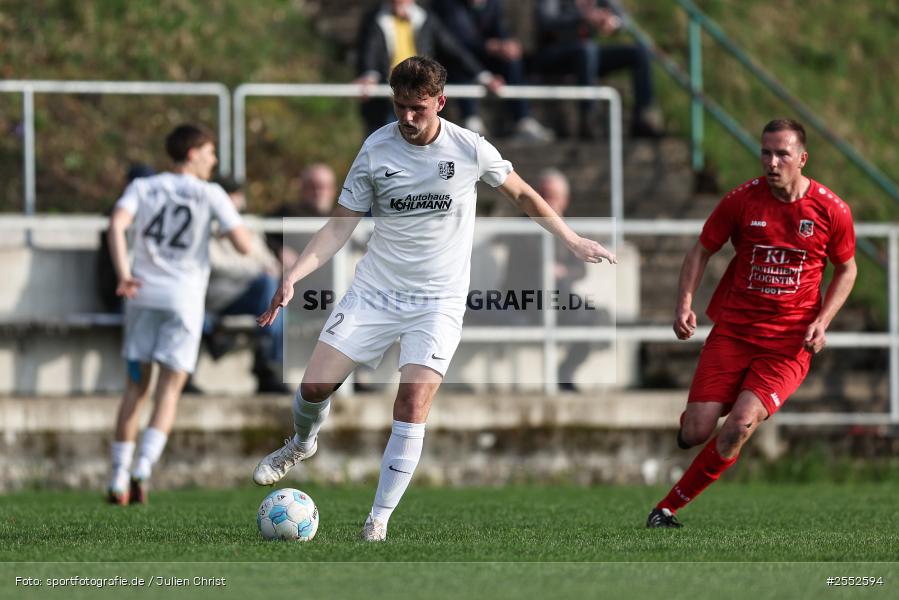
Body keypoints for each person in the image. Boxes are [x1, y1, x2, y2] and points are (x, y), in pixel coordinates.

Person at [252, 56, 616, 541]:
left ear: (440, 102)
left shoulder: (469, 148)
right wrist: (294, 275)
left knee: (413, 397)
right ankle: (300, 443)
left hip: (438, 301)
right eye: (399, 106)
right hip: (375, 292)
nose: (406, 118)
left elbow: (524, 195)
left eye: (417, 108)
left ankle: (377, 521)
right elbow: (340, 225)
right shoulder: (376, 149)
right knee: (315, 386)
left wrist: (572, 240)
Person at [645, 119, 856, 528]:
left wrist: (822, 321)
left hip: (787, 344)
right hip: (734, 333)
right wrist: (683, 304)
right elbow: (701, 250)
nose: (771, 162)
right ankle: (697, 421)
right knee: (696, 431)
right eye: (765, 152)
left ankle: (667, 508)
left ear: (803, 159)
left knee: (739, 425)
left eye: (782, 154)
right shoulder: (742, 201)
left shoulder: (832, 210)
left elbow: (846, 270)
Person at [105, 124, 252, 505]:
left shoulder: (143, 187)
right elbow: (244, 246)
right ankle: (143, 469)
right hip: (183, 300)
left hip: (141, 295)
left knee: (135, 388)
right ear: (192, 154)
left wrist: (124, 273)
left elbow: (116, 225)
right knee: (169, 391)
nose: (213, 160)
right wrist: (224, 226)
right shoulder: (211, 193)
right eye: (209, 152)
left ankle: (118, 478)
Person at [499, 168, 610, 390]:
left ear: (565, 200)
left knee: (598, 318)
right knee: (583, 313)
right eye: (544, 195)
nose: (549, 201)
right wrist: (546, 270)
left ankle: (564, 372)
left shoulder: (569, 231)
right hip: (526, 300)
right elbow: (523, 269)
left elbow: (580, 269)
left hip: (559, 299)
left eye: (554, 196)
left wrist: (562, 271)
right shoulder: (522, 228)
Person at [354, 0, 503, 135]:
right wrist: (369, 75)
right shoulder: (373, 18)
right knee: (382, 152)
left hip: (422, 96)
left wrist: (483, 76)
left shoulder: (427, 17)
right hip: (384, 102)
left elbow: (454, 50)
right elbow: (368, 52)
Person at [206, 177, 288, 394]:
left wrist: (265, 268)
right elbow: (214, 266)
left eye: (237, 195)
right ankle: (267, 364)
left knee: (277, 299)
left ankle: (269, 364)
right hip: (222, 297)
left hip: (253, 294)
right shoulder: (206, 226)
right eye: (230, 195)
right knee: (267, 286)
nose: (235, 200)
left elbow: (267, 260)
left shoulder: (249, 225)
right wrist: (255, 270)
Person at [533, 0, 662, 138]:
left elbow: (623, 18)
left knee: (639, 52)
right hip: (554, 52)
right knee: (587, 50)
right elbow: (546, 20)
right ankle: (588, 119)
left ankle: (643, 117)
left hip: (588, 55)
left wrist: (612, 22)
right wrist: (583, 17)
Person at [430, 0, 554, 141]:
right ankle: (470, 119)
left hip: (487, 57)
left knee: (512, 60)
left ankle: (523, 119)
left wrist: (506, 44)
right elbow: (459, 44)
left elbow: (500, 29)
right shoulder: (448, 5)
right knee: (459, 64)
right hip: (459, 59)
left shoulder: (493, 4)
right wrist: (490, 47)